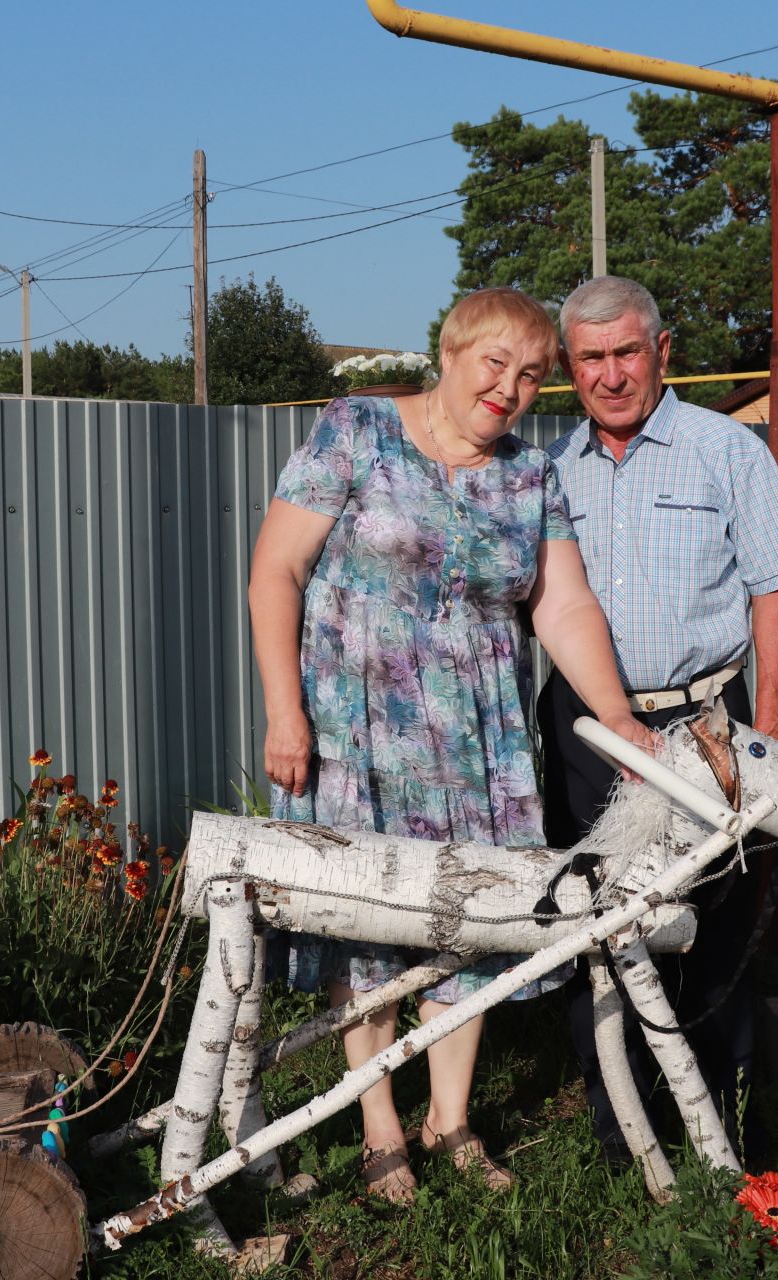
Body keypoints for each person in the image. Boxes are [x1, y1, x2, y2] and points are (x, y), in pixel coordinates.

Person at [248, 286, 655, 1205]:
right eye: (494, 364)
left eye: (530, 376)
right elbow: (276, 569)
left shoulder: (528, 476)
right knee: (366, 927)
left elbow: (563, 604)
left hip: (481, 740)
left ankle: (452, 1118)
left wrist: (619, 716)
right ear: (450, 350)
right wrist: (285, 711)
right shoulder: (356, 431)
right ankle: (379, 1124)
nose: (509, 389)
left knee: (470, 923)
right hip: (355, 731)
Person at [538, 275, 778, 1164]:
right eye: (591, 358)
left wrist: (760, 740)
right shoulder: (550, 469)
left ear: (663, 352)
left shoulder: (724, 450)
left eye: (627, 352)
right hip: (587, 730)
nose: (611, 375)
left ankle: (728, 1121)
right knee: (596, 920)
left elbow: (775, 593)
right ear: (568, 367)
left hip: (705, 721)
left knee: (714, 916)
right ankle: (621, 1129)